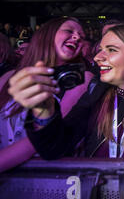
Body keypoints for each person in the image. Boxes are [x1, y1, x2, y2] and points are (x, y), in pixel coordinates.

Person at [6, 24, 124, 163]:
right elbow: (55, 147)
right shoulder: (98, 94)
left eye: (111, 50)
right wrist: (44, 109)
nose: (98, 57)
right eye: (101, 49)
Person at [0, 17, 94, 172]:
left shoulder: (81, 80)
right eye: (69, 31)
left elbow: (45, 138)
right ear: (46, 35)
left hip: (43, 177)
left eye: (81, 37)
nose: (77, 37)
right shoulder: (7, 77)